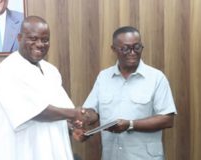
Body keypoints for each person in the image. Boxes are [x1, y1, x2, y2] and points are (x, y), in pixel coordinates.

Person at [0, 16, 87, 160]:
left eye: (45, 40)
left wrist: (72, 127)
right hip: (19, 152)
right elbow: (36, 112)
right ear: (19, 38)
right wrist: (74, 114)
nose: (40, 44)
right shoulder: (7, 71)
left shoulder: (51, 70)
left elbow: (63, 110)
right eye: (33, 38)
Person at [73, 26, 177, 160]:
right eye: (126, 48)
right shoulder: (103, 77)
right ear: (114, 49)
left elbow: (167, 120)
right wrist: (84, 120)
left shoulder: (156, 78)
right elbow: (92, 111)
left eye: (137, 47)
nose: (132, 52)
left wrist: (130, 124)